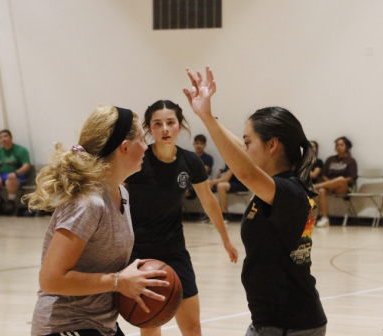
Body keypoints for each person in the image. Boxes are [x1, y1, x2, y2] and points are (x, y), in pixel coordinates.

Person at [184, 67, 327, 336]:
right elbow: (241, 152)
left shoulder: (288, 191)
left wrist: (206, 118)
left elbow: (245, 171)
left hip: (290, 326)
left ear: (272, 146)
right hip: (274, 322)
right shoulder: (283, 185)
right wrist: (207, 115)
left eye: (249, 141)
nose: (244, 147)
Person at [26, 105, 170, 336]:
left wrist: (139, 283)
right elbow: (51, 280)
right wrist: (118, 282)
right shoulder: (87, 203)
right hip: (66, 326)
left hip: (101, 324)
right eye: (143, 139)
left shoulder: (121, 194)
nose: (146, 147)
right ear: (125, 147)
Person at [125, 100, 239, 336]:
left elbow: (208, 201)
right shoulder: (138, 159)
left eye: (170, 122)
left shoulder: (190, 161)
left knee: (192, 328)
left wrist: (226, 240)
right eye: (158, 124)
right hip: (139, 254)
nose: (164, 128)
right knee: (150, 324)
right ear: (149, 129)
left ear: (180, 125)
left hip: (175, 251)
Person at [314, 136, 358, 227]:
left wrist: (336, 182)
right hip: (329, 186)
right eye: (337, 145)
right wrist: (330, 183)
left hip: (343, 187)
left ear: (346, 147)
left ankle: (314, 186)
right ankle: (325, 219)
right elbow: (324, 174)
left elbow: (351, 177)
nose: (339, 147)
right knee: (322, 191)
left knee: (340, 179)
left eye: (341, 145)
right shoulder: (330, 159)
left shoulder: (351, 160)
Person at [184, 134, 214, 199]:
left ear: (205, 145)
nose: (199, 145)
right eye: (197, 143)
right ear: (194, 144)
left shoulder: (209, 158)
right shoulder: (189, 157)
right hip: (190, 180)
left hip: (203, 181)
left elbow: (205, 169)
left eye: (201, 144)